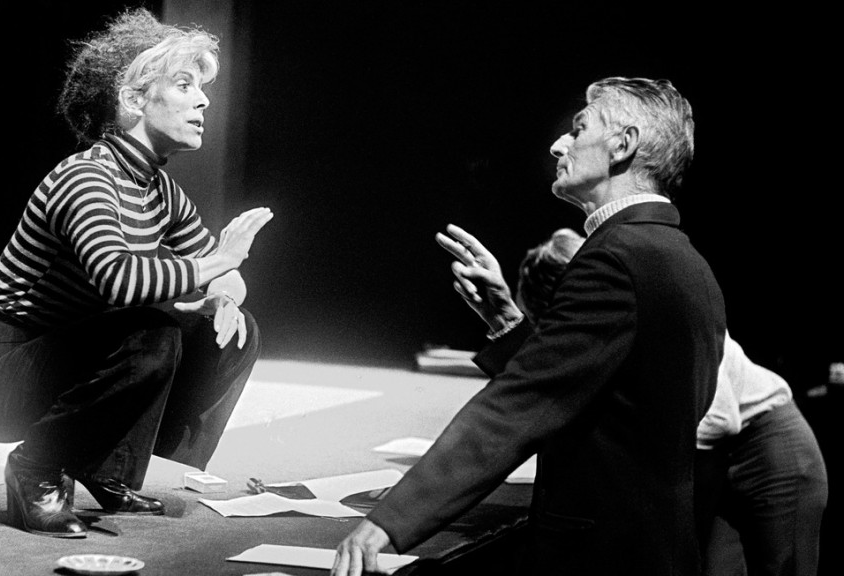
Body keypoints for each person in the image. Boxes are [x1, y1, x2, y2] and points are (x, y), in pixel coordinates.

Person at [332, 77, 726, 576]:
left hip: (602, 557)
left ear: (623, 145)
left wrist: (388, 522)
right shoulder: (680, 256)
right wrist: (505, 320)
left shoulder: (616, 259)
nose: (558, 145)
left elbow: (521, 403)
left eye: (578, 130)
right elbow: (602, 404)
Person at [0, 8, 273, 538]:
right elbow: (117, 279)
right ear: (133, 99)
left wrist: (223, 296)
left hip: (64, 355)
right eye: (184, 85)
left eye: (201, 87)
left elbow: (226, 281)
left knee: (233, 332)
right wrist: (219, 261)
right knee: (151, 332)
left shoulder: (161, 191)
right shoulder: (86, 177)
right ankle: (35, 466)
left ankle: (106, 467)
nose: (203, 100)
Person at [517, 229, 828, 576]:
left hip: (770, 449)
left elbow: (719, 417)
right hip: (715, 462)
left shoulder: (661, 308)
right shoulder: (610, 329)